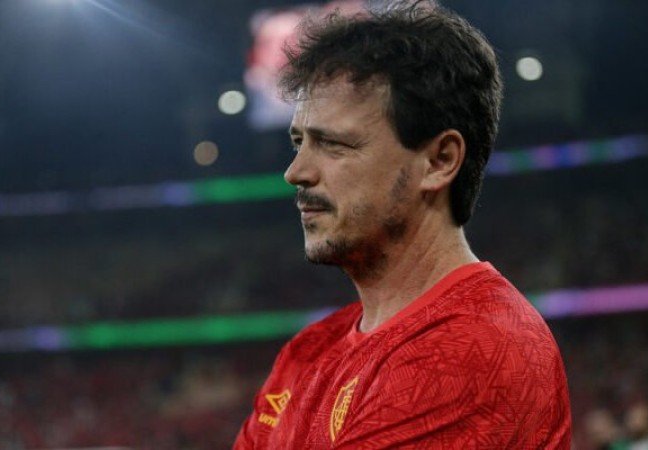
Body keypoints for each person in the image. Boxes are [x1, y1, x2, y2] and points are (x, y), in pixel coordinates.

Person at [233, 1, 571, 448]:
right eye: (299, 142)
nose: (296, 172)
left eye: (333, 144)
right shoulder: (307, 351)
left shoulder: (474, 347)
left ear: (439, 161)